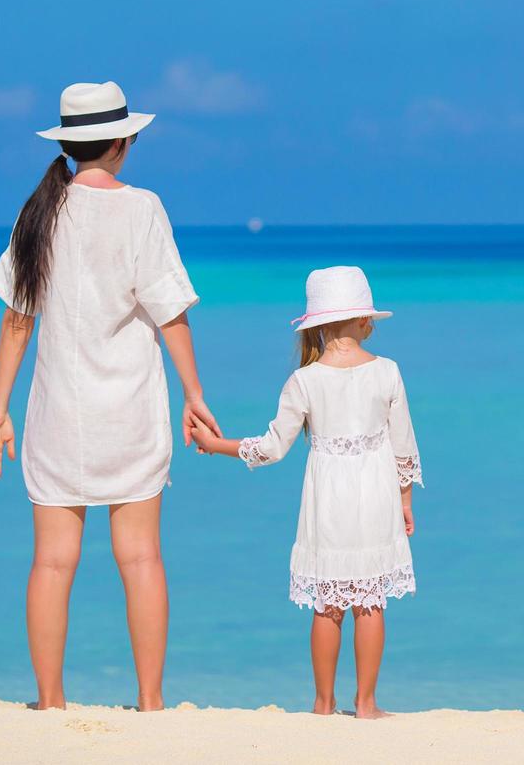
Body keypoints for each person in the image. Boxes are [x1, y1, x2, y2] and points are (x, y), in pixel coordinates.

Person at [0, 81, 218, 711]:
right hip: (131, 411)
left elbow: (16, 319)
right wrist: (194, 391)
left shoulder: (38, 211)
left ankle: (50, 702)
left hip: (58, 412)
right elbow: (170, 312)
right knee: (141, 559)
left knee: (52, 564)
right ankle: (150, 702)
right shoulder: (142, 208)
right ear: (122, 142)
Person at [190, 265, 420, 718]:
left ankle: (322, 704)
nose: (371, 321)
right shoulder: (388, 372)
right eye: (367, 315)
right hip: (376, 495)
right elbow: (403, 447)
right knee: (370, 601)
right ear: (358, 321)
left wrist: (216, 445)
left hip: (327, 499)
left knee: (328, 602)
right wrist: (406, 500)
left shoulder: (305, 380)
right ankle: (367, 704)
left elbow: (274, 447)